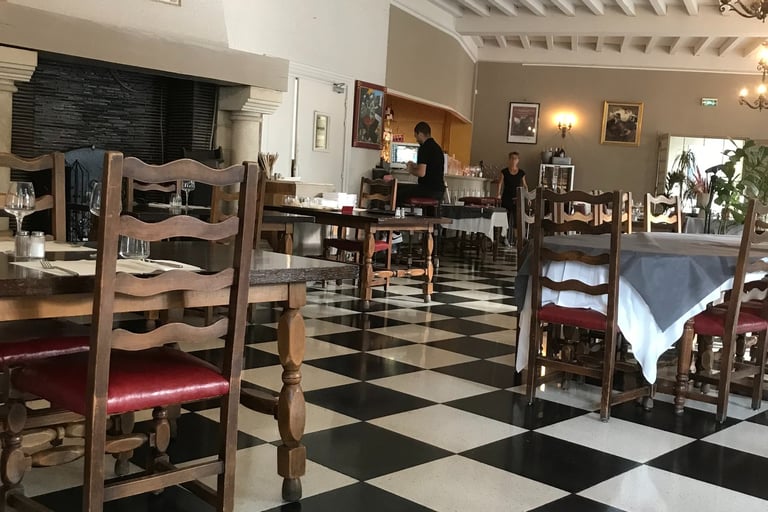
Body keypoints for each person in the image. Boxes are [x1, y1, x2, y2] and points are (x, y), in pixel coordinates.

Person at [397, 121, 445, 205]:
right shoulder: (437, 148)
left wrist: (410, 169)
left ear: (420, 134)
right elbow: (430, 167)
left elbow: (421, 173)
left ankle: (398, 213)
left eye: (416, 136)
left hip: (428, 189)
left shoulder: (424, 148)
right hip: (439, 190)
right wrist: (415, 165)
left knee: (397, 192)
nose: (416, 140)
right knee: (403, 189)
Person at [497, 151, 528, 245]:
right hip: (506, 198)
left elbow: (525, 185)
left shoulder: (521, 173)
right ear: (509, 160)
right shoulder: (504, 172)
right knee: (504, 219)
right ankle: (504, 238)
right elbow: (500, 183)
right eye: (512, 158)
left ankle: (517, 240)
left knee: (517, 220)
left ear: (518, 160)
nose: (514, 160)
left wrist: (527, 196)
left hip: (517, 199)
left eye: (516, 158)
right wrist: (498, 194)